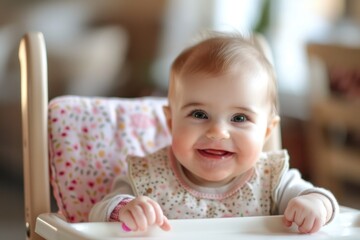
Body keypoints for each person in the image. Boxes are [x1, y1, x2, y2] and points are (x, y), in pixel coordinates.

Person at [89, 31, 338, 234]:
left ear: (266, 131)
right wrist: (124, 209)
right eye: (199, 114)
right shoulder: (148, 176)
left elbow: (318, 197)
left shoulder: (272, 179)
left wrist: (316, 205)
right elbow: (98, 213)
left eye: (239, 118)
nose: (218, 132)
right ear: (171, 121)